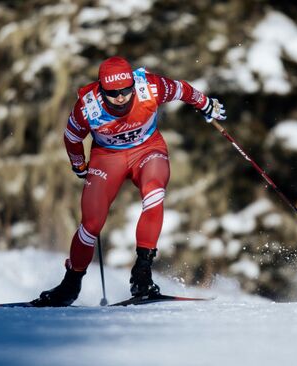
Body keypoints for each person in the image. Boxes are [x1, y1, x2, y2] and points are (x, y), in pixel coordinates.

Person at [31, 56, 226, 306]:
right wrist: (79, 165)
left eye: (126, 90)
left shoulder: (150, 87)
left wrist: (205, 103)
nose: (121, 97)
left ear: (133, 83)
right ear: (102, 90)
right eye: (113, 93)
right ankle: (70, 284)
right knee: (91, 223)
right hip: (107, 158)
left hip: (147, 149)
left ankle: (142, 274)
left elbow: (181, 89)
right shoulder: (88, 107)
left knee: (155, 193)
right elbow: (71, 138)